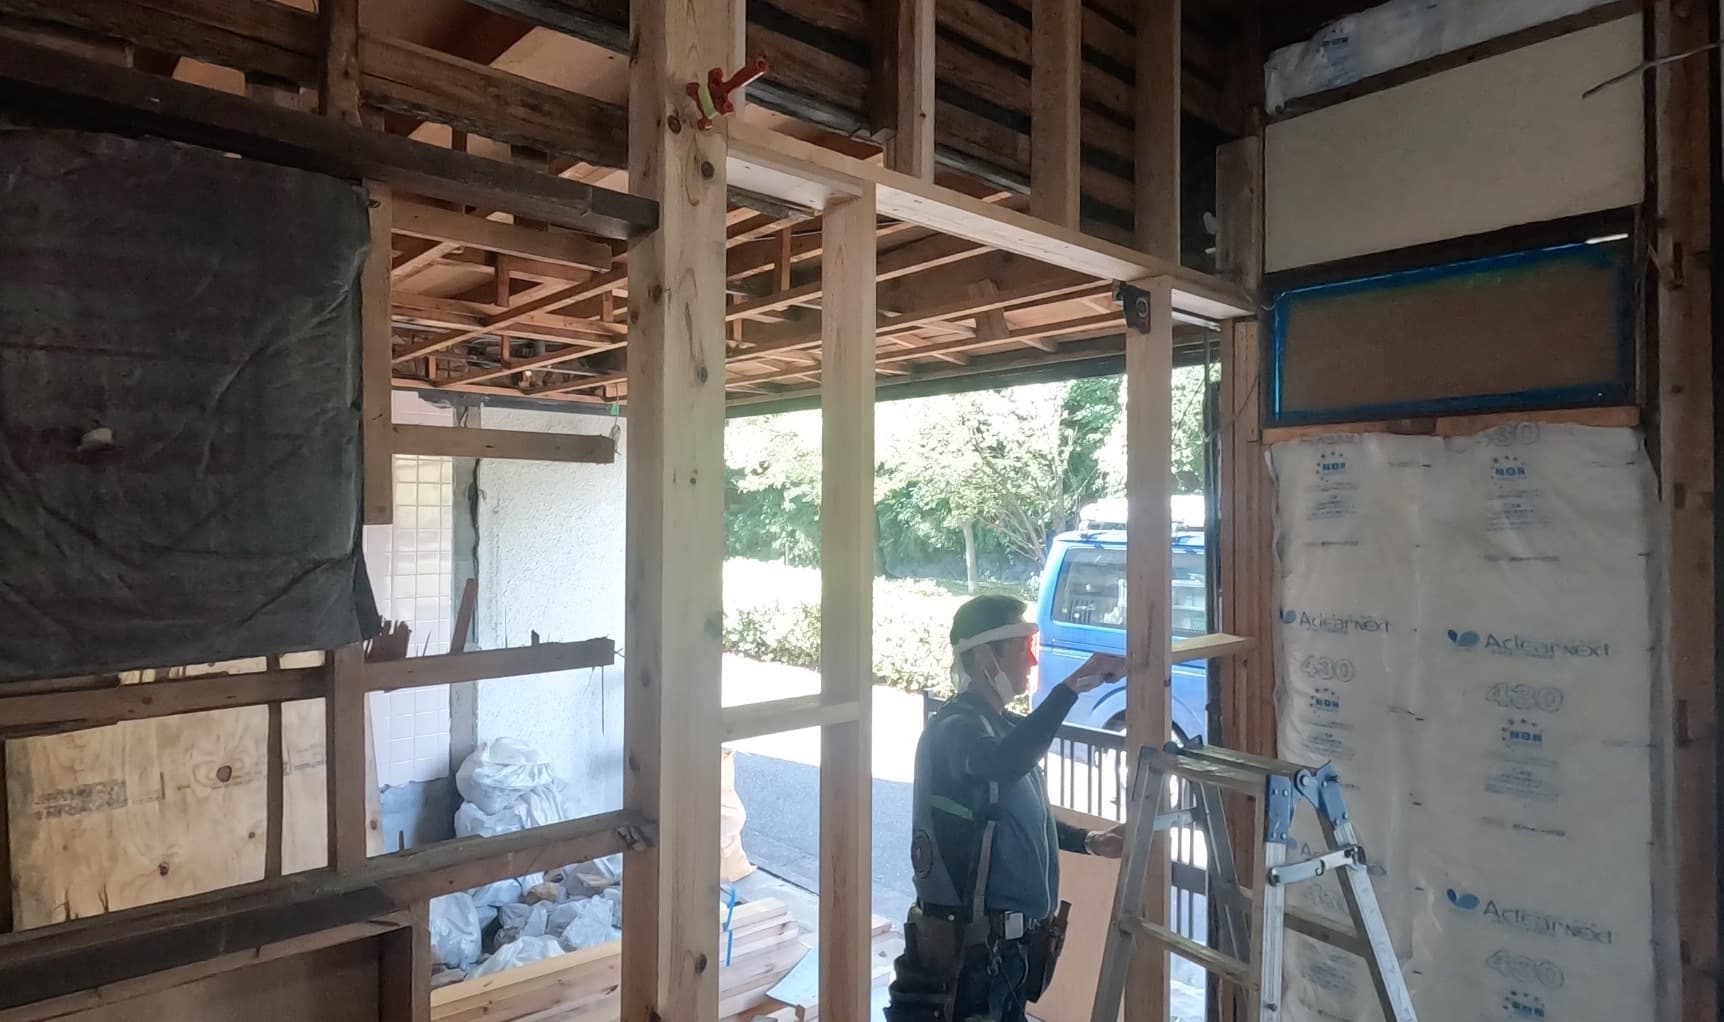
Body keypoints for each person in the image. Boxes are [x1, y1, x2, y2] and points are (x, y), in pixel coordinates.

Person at [886, 595, 1128, 1022]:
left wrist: (1090, 841)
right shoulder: (955, 730)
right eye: (1021, 649)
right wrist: (1072, 687)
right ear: (986, 658)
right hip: (970, 959)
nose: (1031, 662)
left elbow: (1015, 820)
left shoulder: (998, 728)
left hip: (1003, 957)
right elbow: (1004, 763)